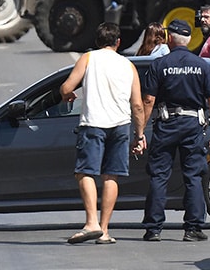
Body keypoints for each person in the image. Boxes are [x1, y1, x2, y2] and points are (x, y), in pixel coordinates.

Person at [60, 22, 146, 245]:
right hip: (120, 125)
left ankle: (91, 223)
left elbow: (67, 87)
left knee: (85, 172)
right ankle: (105, 230)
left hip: (93, 123)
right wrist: (140, 134)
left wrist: (68, 96)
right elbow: (137, 104)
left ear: (97, 41)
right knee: (111, 176)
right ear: (118, 42)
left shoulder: (88, 59)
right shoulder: (128, 66)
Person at [140, 18, 210, 243]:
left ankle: (153, 228)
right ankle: (193, 228)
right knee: (193, 176)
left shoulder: (159, 64)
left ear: (169, 38)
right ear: (188, 39)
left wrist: (139, 132)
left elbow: (148, 100)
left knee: (159, 175)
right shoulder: (201, 65)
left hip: (166, 124)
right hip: (193, 125)